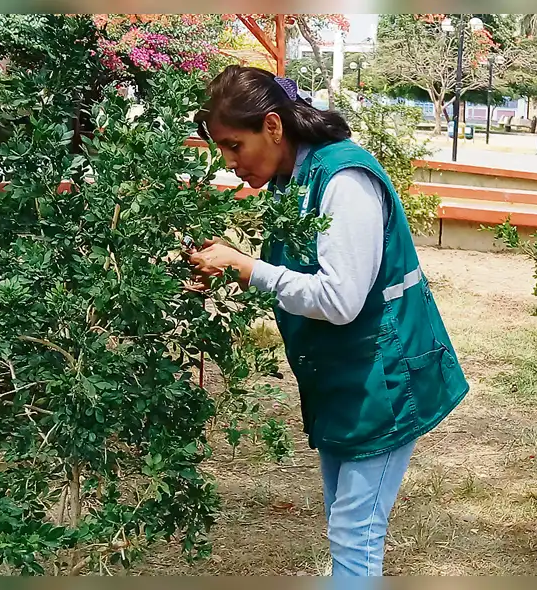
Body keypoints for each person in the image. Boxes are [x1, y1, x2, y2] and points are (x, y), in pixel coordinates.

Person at [187, 65, 470, 577]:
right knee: (346, 522)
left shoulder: (344, 179)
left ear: (272, 127)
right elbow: (298, 273)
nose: (230, 163)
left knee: (355, 533)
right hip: (342, 378)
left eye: (234, 146)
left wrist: (246, 269)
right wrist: (226, 268)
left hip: (384, 380)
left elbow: (341, 299)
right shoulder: (290, 179)